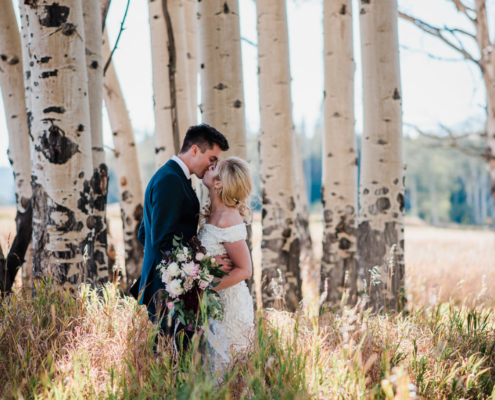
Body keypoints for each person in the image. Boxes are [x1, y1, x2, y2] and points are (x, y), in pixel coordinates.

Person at [135, 124, 231, 349]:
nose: (213, 166)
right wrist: (204, 264)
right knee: (176, 361)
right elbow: (160, 241)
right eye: (212, 158)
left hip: (168, 284)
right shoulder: (170, 180)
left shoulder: (173, 176)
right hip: (168, 292)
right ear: (195, 150)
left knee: (174, 358)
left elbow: (145, 235)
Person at [198, 156, 255, 380]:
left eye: (213, 168)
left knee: (226, 370)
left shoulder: (228, 218)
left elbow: (245, 270)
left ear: (219, 184)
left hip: (229, 306)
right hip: (214, 305)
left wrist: (206, 287)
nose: (208, 168)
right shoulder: (212, 213)